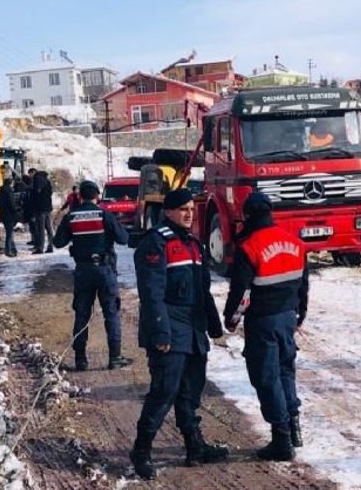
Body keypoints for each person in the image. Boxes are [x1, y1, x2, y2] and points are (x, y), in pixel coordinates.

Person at [129, 188, 227, 480]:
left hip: (194, 330)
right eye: (183, 209)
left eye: (191, 209)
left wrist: (213, 322)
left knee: (190, 392)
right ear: (169, 211)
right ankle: (141, 450)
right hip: (169, 329)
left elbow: (203, 289)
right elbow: (151, 294)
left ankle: (194, 446)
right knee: (164, 392)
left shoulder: (194, 244)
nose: (189, 213)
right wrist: (160, 332)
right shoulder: (155, 243)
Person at [223, 192, 309, 462]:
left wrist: (232, 319)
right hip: (287, 318)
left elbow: (241, 293)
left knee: (267, 376)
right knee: (286, 371)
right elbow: (303, 286)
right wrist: (299, 316)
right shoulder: (295, 242)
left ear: (247, 216)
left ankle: (281, 440)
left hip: (263, 322)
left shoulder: (249, 247)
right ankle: (294, 428)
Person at [52, 180, 131, 371]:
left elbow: (58, 242)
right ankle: (115, 357)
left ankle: (81, 359)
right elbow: (124, 239)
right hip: (105, 270)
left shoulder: (72, 216)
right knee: (111, 312)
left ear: (79, 197)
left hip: (83, 270)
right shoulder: (105, 214)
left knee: (82, 313)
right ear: (97, 196)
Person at [31, 170, 54, 254]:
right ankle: (50, 246)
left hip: (40, 208)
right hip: (48, 207)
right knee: (49, 228)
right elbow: (50, 192)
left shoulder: (37, 179)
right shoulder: (47, 181)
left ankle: (40, 248)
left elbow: (35, 195)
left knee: (40, 229)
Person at [0, 177, 18, 257]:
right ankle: (8, 250)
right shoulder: (9, 192)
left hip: (3, 214)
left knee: (9, 232)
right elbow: (12, 204)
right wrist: (16, 209)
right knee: (9, 233)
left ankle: (13, 249)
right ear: (10, 183)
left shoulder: (0, 191)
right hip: (10, 215)